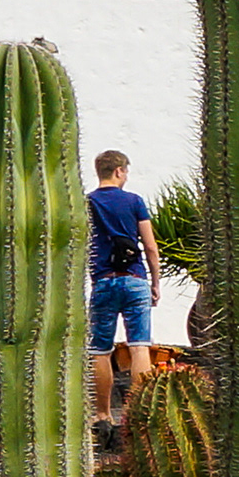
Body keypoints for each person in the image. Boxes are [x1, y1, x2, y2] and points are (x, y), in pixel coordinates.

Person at [88, 152, 161, 419]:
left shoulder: (88, 203)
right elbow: (150, 247)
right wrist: (155, 282)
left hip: (104, 282)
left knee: (100, 350)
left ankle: (102, 414)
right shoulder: (134, 201)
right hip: (134, 280)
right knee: (139, 346)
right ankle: (137, 414)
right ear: (119, 171)